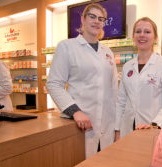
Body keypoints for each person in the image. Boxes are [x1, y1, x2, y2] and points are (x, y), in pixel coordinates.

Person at [46, 3, 118, 158]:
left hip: (107, 125)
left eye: (101, 18)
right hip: (80, 124)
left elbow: (113, 90)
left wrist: (117, 125)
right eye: (92, 16)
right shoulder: (67, 46)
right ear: (83, 20)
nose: (96, 21)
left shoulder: (108, 52)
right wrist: (75, 111)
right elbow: (53, 83)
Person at [115, 17, 162, 140]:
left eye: (147, 32)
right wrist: (117, 129)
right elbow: (121, 101)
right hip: (127, 129)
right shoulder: (128, 66)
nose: (142, 35)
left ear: (155, 38)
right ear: (133, 36)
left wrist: (154, 125)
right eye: (138, 31)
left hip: (152, 129)